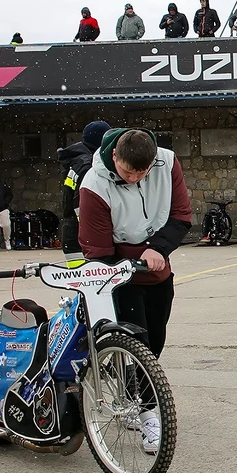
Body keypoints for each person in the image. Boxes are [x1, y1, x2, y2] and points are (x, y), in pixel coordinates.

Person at [77, 127, 192, 364]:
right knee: (137, 344)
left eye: (141, 173)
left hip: (157, 272)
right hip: (121, 274)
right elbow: (97, 246)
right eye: (127, 172)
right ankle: (141, 397)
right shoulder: (93, 184)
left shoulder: (167, 163)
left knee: (156, 341)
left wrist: (158, 248)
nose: (133, 179)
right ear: (114, 157)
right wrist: (114, 276)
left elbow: (181, 215)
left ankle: (148, 389)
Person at [57, 120, 110, 255]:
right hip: (83, 237)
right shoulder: (87, 166)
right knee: (90, 274)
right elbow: (81, 204)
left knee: (81, 275)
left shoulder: (77, 161)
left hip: (73, 233)